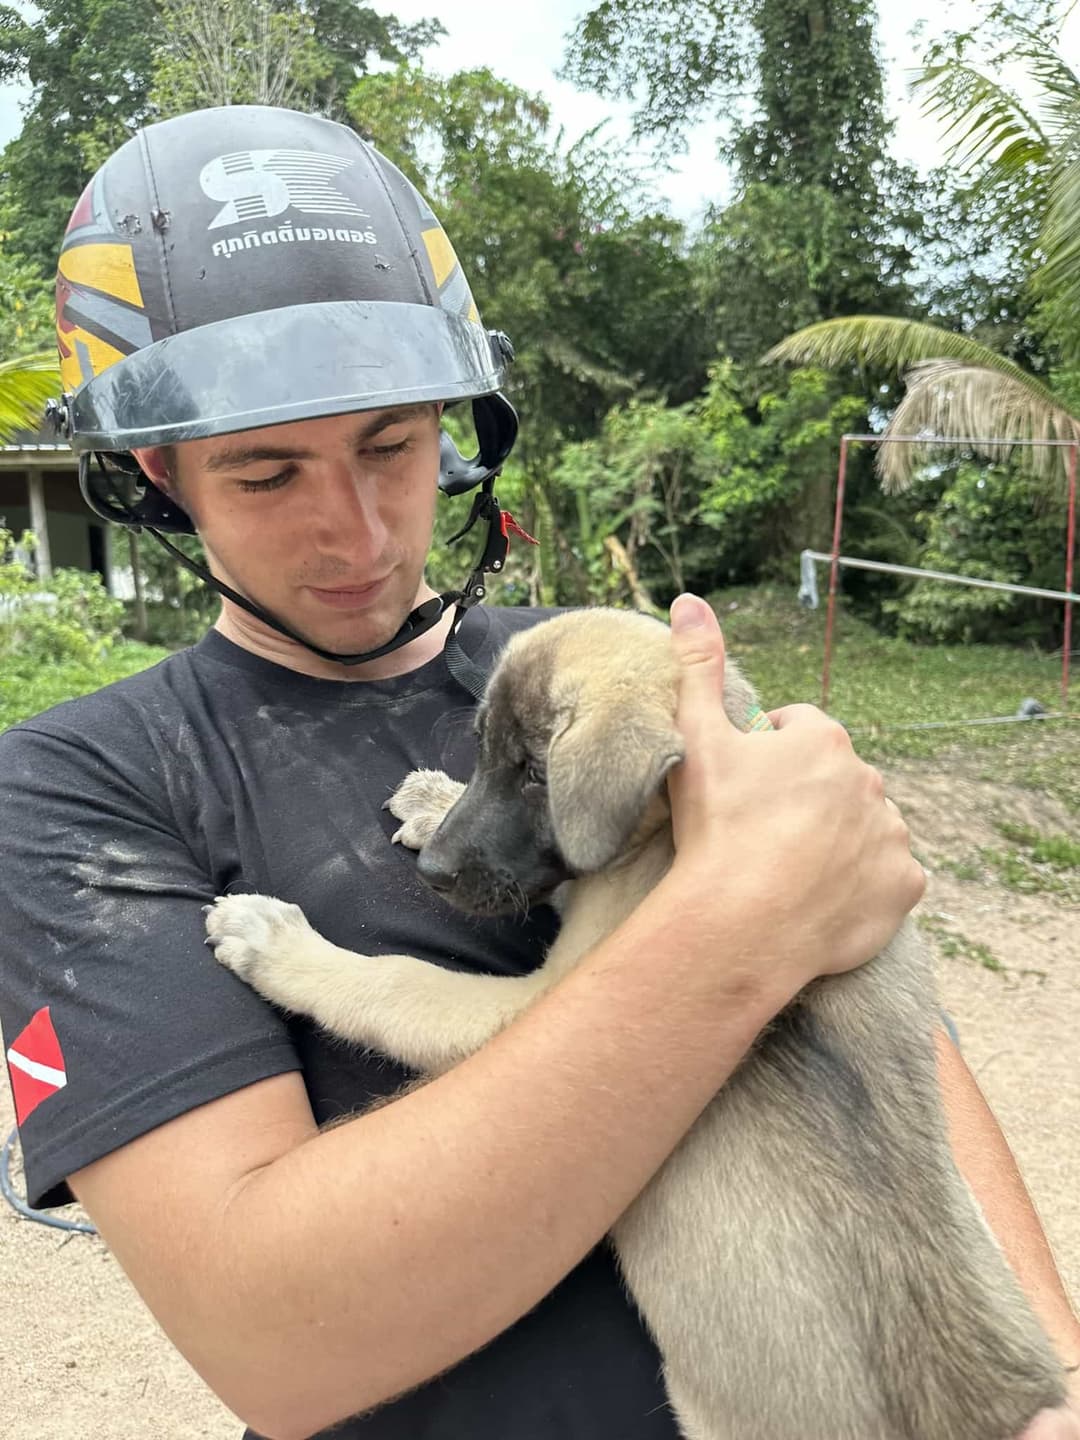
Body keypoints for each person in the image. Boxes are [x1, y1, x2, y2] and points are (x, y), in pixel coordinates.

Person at [0, 104, 1076, 1440]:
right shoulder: (80, 789)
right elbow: (277, 1348)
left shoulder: (598, 678)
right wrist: (739, 925)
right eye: (269, 473)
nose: (357, 530)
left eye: (393, 446)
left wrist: (1042, 1400)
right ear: (159, 477)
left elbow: (896, 1053)